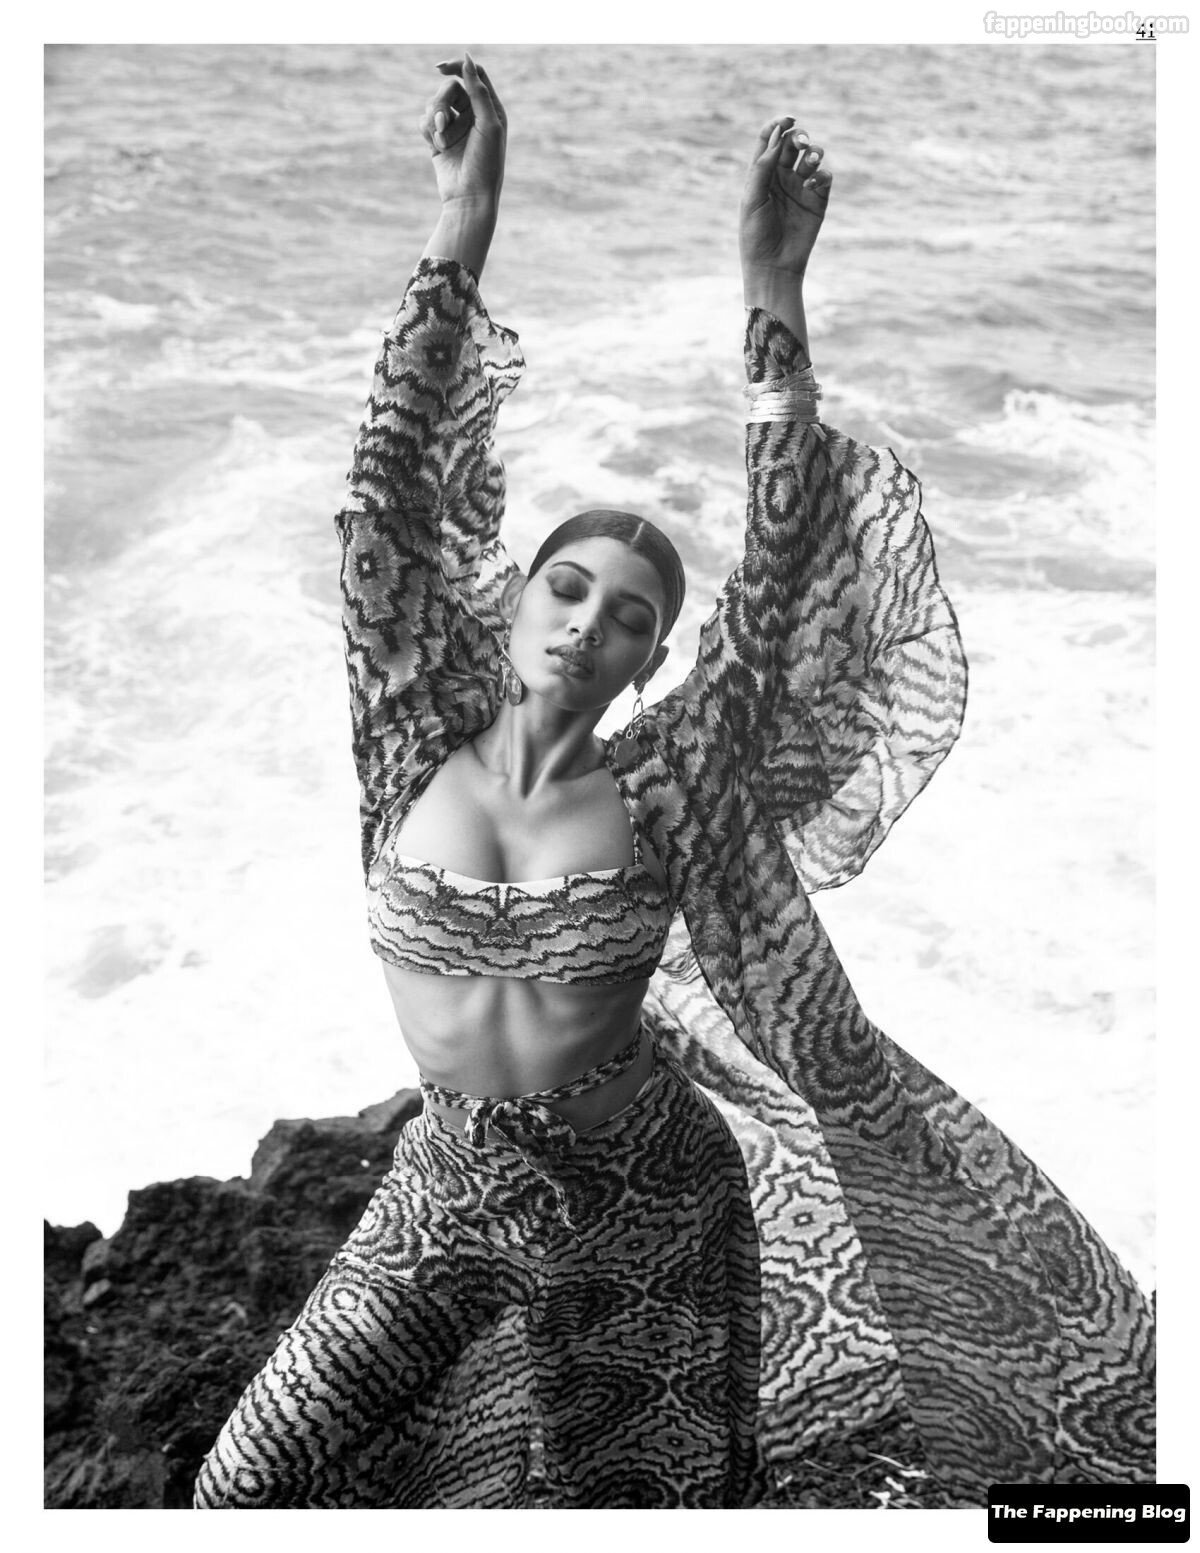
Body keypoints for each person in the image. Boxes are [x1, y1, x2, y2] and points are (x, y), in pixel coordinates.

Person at [194, 56, 1154, 1510]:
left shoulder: (670, 783)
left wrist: (773, 283)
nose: (592, 621)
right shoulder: (407, 735)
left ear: (651, 663)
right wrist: (465, 215)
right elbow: (384, 489)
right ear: (518, 601)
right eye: (569, 587)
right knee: (244, 1488)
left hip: (641, 1214)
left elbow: (778, 583)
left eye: (632, 616)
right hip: (442, 1191)